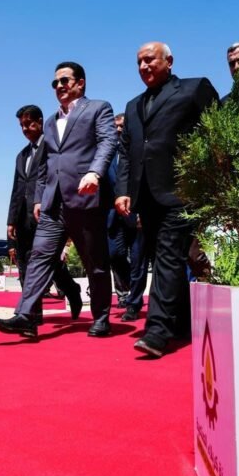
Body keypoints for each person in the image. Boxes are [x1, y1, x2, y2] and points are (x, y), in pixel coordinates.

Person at [0, 61, 116, 338]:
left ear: (80, 83)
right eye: (55, 83)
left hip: (85, 198)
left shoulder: (98, 108)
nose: (59, 86)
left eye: (64, 80)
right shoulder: (50, 121)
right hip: (52, 205)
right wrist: (39, 198)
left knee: (94, 262)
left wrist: (95, 172)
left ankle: (101, 317)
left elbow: (108, 142)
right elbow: (46, 164)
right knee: (38, 258)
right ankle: (26, 316)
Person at [115, 42, 219, 358]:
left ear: (169, 61)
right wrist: (123, 190)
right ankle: (183, 323)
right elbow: (126, 151)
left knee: (167, 257)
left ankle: (157, 331)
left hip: (181, 192)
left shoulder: (194, 89)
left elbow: (218, 133)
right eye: (138, 62)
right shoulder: (133, 105)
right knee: (165, 257)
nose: (143, 66)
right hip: (145, 196)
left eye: (149, 59)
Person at [5, 104, 82, 321]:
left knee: (47, 263)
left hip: (47, 214)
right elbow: (16, 190)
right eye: (21, 125)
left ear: (40, 122)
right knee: (24, 263)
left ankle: (71, 289)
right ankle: (32, 314)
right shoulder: (21, 156)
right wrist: (11, 220)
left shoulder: (52, 147)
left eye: (28, 124)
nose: (25, 129)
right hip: (23, 218)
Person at [107, 114, 147, 321]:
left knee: (139, 260)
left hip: (136, 213)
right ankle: (131, 286)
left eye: (122, 126)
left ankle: (133, 304)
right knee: (114, 255)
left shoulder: (138, 152)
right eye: (115, 127)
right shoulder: (108, 154)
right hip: (113, 217)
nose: (118, 130)